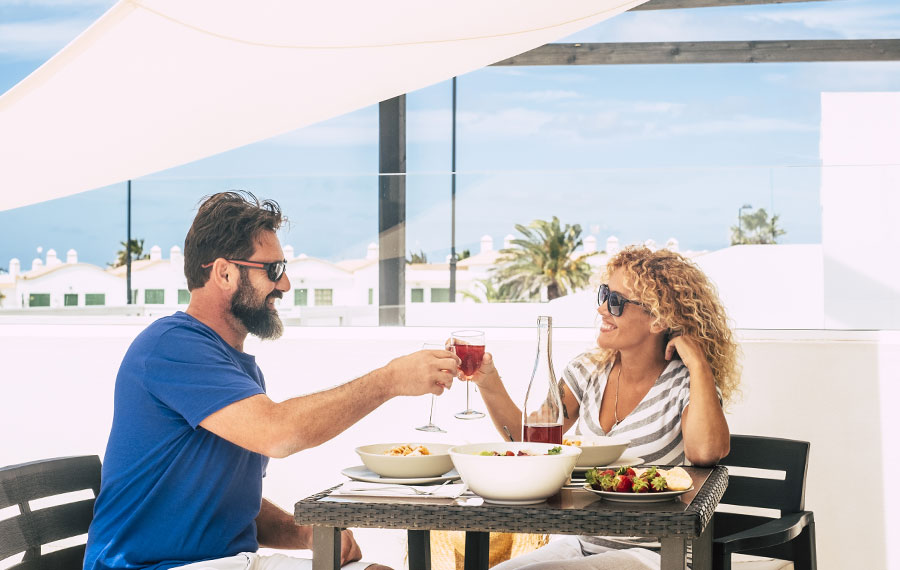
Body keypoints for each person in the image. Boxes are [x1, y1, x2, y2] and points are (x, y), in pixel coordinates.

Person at [83, 191, 459, 570]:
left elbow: (227, 503)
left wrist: (308, 533)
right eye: (273, 270)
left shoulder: (236, 366)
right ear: (224, 273)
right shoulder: (173, 346)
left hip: (226, 562)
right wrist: (389, 380)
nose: (285, 285)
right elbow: (278, 433)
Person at [465, 246, 741, 570]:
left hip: (658, 554)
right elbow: (530, 443)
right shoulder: (586, 372)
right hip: (583, 544)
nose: (601, 309)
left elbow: (707, 452)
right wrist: (488, 381)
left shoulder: (684, 384)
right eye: (604, 294)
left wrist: (697, 362)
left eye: (616, 302)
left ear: (658, 319)